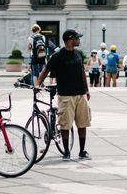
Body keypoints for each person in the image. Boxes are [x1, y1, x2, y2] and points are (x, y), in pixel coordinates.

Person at [37, 29, 91, 161]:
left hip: (80, 94)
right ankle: (66, 151)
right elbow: (45, 70)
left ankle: (82, 151)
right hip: (65, 95)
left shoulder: (78, 53)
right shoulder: (58, 55)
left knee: (83, 123)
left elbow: (82, 72)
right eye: (77, 38)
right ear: (70, 39)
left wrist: (87, 89)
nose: (79, 40)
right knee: (65, 124)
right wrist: (38, 84)